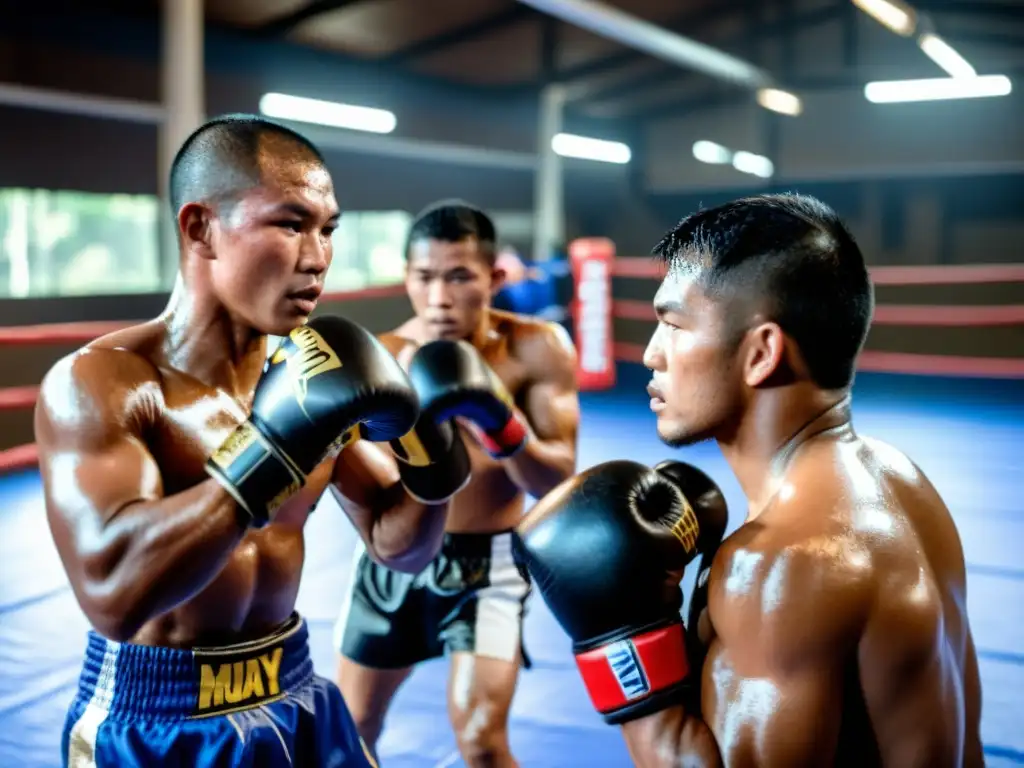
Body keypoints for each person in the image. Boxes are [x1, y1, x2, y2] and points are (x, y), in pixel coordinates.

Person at [35, 116, 516, 767]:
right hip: (161, 717)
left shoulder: (302, 372)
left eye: (328, 230)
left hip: (292, 685)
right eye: (291, 225)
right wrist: (272, 448)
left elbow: (394, 544)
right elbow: (113, 597)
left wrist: (434, 460)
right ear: (200, 228)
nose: (317, 258)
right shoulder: (104, 383)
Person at [515, 193, 984, 767]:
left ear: (762, 352)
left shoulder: (779, 564)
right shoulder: (900, 478)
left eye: (673, 324)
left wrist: (623, 648)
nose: (651, 354)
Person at [334, 200, 580, 767]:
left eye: (459, 277)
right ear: (407, 278)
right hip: (391, 564)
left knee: (481, 743)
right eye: (424, 278)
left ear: (494, 277)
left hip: (487, 568)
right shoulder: (384, 359)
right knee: (352, 731)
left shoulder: (536, 348)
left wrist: (500, 424)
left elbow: (557, 478)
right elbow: (375, 492)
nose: (440, 298)